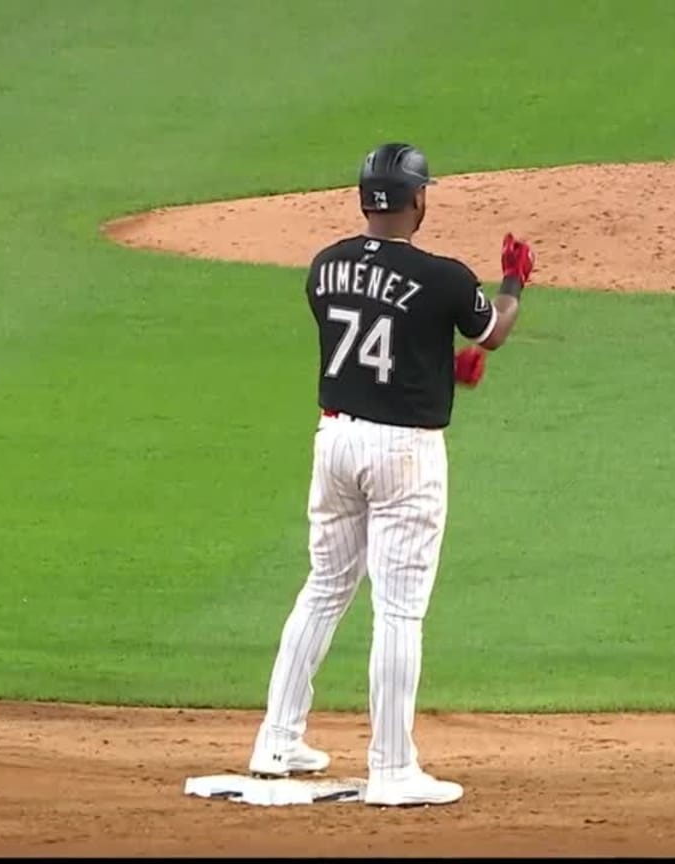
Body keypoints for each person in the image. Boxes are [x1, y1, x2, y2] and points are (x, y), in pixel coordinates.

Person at [245, 142, 535, 807]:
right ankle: (394, 767)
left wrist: (438, 369)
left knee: (324, 587)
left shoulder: (323, 268)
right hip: (404, 454)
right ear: (417, 200)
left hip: (337, 440)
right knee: (399, 609)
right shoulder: (445, 279)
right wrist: (514, 283)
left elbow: (374, 341)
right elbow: (490, 332)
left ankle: (277, 739)